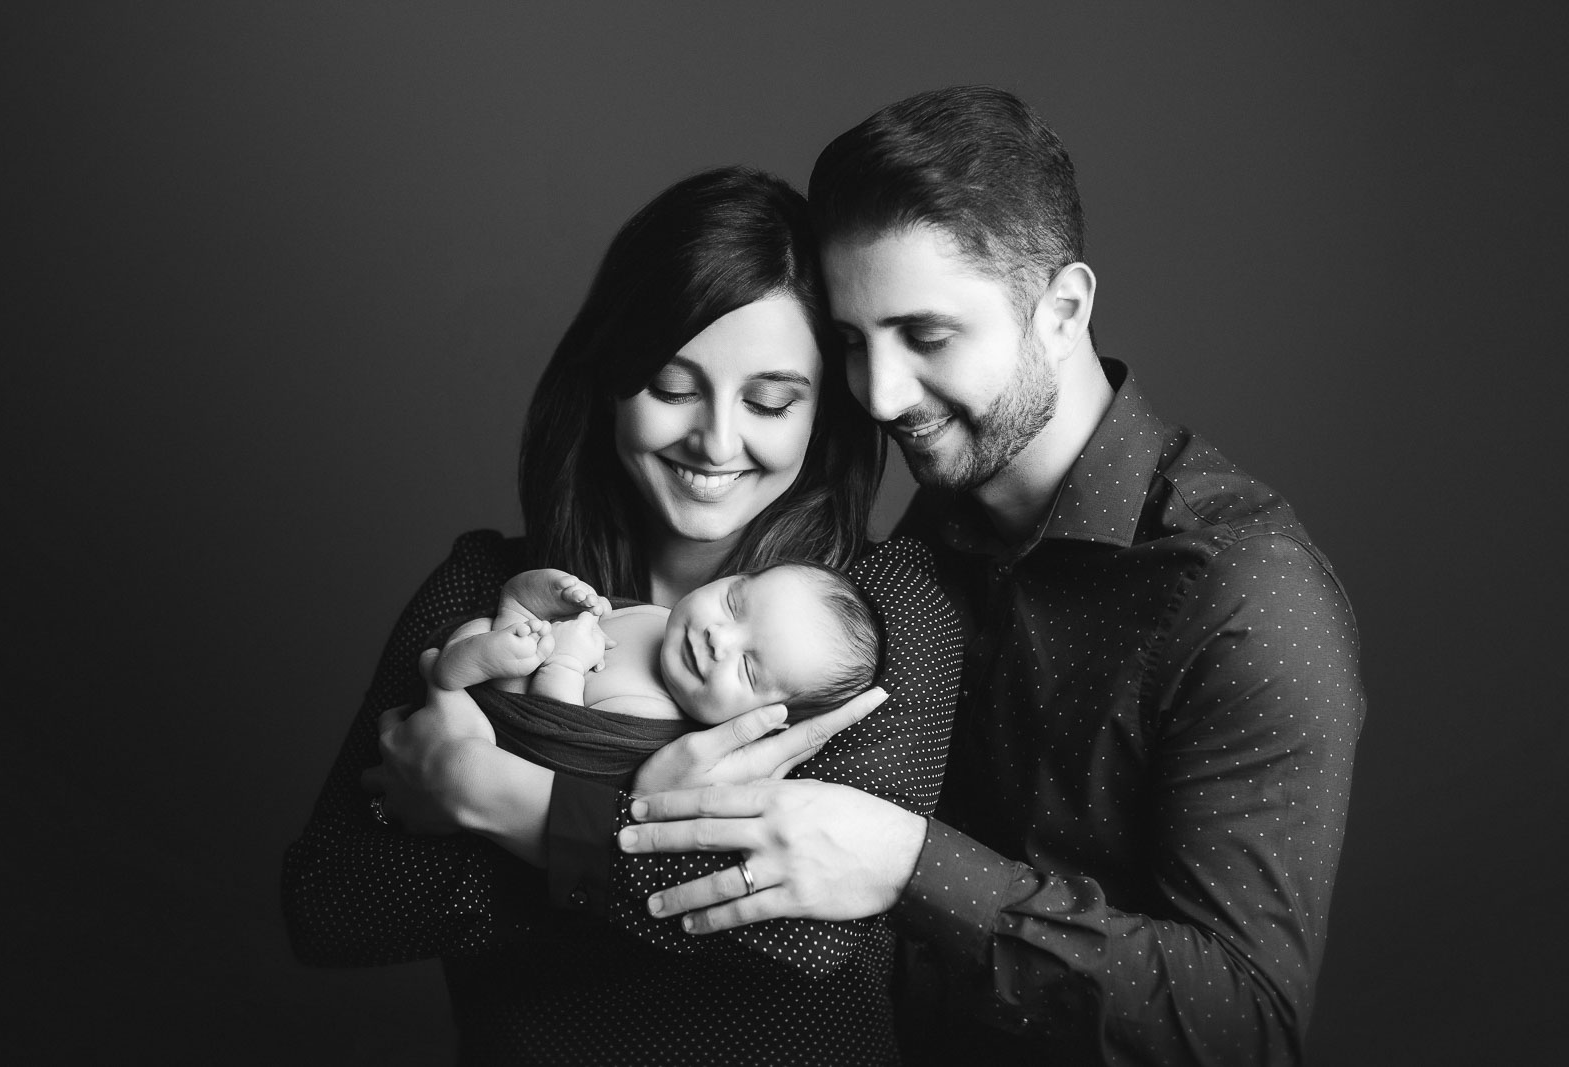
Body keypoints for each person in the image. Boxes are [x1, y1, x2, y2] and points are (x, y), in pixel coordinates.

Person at [619, 87, 1367, 1065]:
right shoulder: (918, 534)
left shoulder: (1246, 596)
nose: (880, 394)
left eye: (926, 337)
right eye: (853, 342)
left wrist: (909, 864)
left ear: (1061, 309)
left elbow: (1245, 1027)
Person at [281, 165, 964, 1065]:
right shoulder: (492, 590)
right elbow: (330, 906)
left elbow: (801, 937)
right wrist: (641, 830)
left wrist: (486, 795)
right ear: (608, 380)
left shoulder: (882, 618)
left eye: (769, 401)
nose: (716, 442)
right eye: (674, 388)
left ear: (822, 415)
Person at [425, 561, 881, 788]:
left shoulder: (653, 721)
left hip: (501, 711)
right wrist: (559, 594)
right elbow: (587, 616)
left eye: (746, 667)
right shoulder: (662, 617)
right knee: (509, 612)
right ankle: (469, 655)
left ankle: (453, 674)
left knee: (492, 655)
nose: (719, 639)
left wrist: (563, 666)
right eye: (733, 604)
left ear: (768, 719)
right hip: (520, 636)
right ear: (735, 577)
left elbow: (556, 737)